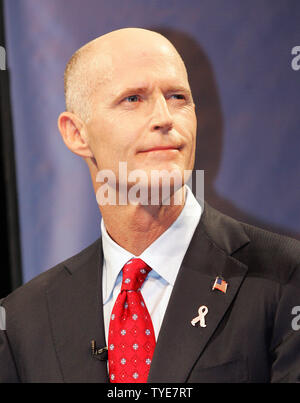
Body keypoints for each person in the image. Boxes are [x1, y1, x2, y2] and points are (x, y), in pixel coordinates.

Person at [0, 27, 300, 383]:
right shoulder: (22, 321)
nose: (164, 118)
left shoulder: (286, 278)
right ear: (77, 134)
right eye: (133, 99)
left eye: (177, 97)